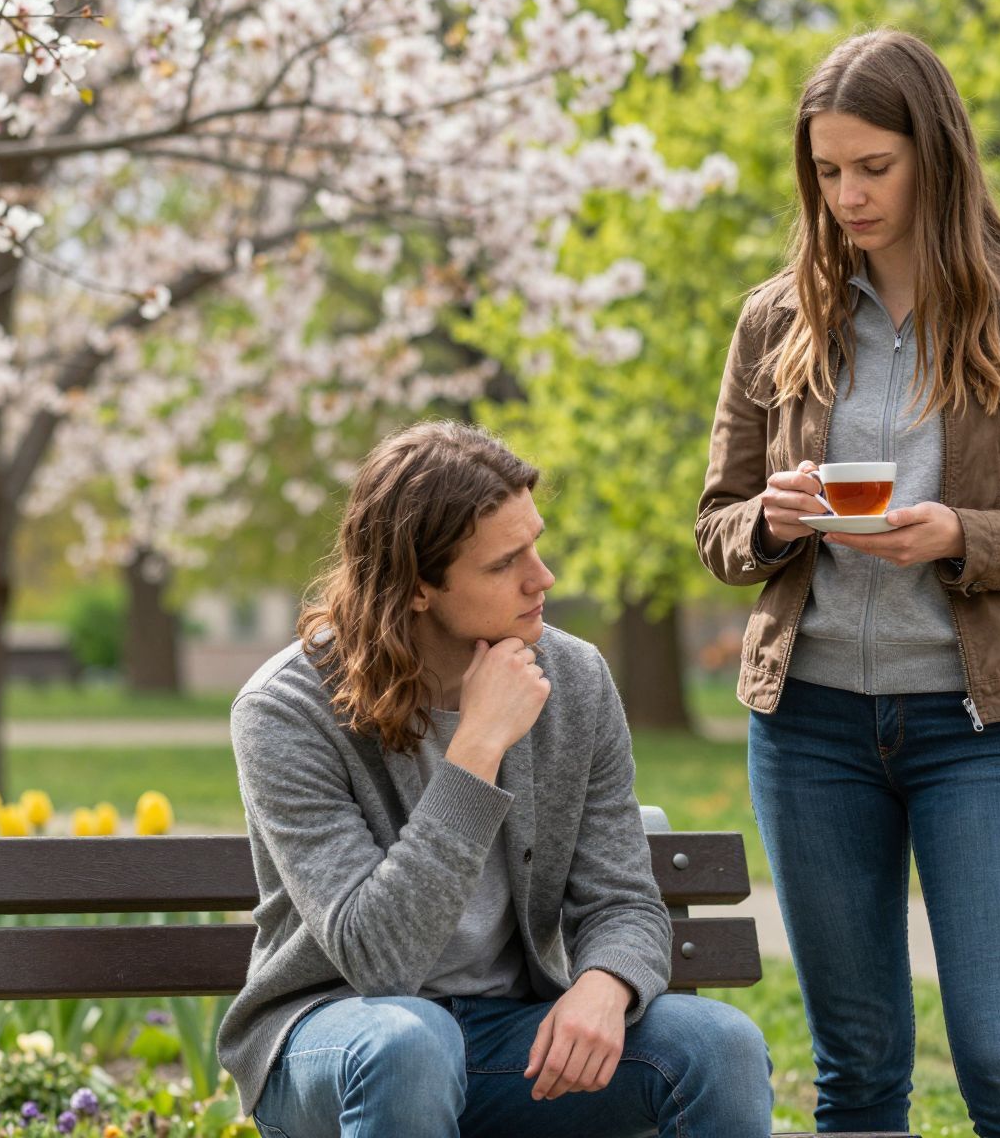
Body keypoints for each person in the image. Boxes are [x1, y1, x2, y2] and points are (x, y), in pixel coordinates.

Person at [695, 29, 1000, 1138]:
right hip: (808, 731)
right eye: (826, 171)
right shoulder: (774, 318)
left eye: (872, 168)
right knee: (856, 1071)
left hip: (977, 728)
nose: (845, 194)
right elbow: (716, 524)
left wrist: (960, 537)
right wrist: (773, 522)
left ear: (935, 155)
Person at [219, 420, 771, 1138]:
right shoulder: (287, 710)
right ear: (417, 587)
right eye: (504, 562)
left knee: (718, 1048)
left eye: (535, 544)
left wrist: (606, 984)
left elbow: (623, 900)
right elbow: (377, 960)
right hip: (339, 1041)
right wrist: (477, 747)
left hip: (512, 1040)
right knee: (413, 1045)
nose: (541, 578)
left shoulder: (572, 679)